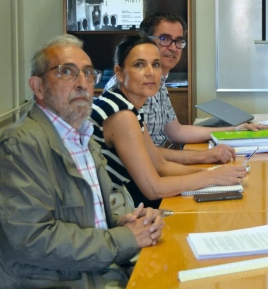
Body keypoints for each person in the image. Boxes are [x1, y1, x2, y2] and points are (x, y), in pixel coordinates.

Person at [0, 35, 164, 288]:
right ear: (38, 86)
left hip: (98, 270)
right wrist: (122, 239)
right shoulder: (21, 144)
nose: (82, 83)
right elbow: (32, 239)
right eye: (67, 72)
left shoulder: (83, 136)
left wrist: (125, 223)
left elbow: (87, 221)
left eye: (88, 74)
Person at [91, 35, 248, 208]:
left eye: (155, 64)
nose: (150, 72)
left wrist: (215, 173)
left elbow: (160, 165)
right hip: (104, 211)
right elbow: (153, 188)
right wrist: (212, 177)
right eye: (139, 65)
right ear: (119, 73)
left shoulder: (130, 106)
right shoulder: (121, 114)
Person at [105, 12, 268, 164]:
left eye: (178, 41)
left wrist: (235, 130)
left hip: (157, 168)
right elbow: (148, 154)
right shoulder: (129, 87)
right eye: (164, 38)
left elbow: (176, 132)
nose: (173, 47)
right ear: (144, 40)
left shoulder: (159, 81)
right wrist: (206, 157)